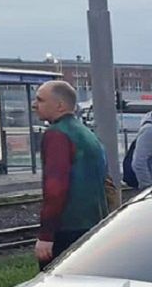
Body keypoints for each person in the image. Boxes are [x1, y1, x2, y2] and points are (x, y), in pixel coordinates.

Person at [32, 81, 108, 267]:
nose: (34, 105)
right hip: (94, 226)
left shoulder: (57, 134)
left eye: (40, 100)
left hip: (67, 229)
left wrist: (46, 235)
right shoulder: (87, 134)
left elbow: (55, 188)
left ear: (60, 105)